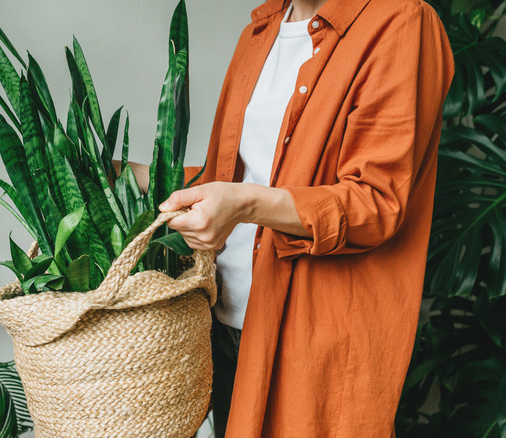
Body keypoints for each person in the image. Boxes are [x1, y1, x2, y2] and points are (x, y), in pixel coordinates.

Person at [127, 0, 454, 435]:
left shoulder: (401, 21)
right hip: (225, 319)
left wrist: (244, 205)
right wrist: (133, 177)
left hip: (310, 338)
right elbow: (240, 175)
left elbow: (375, 202)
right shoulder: (260, 33)